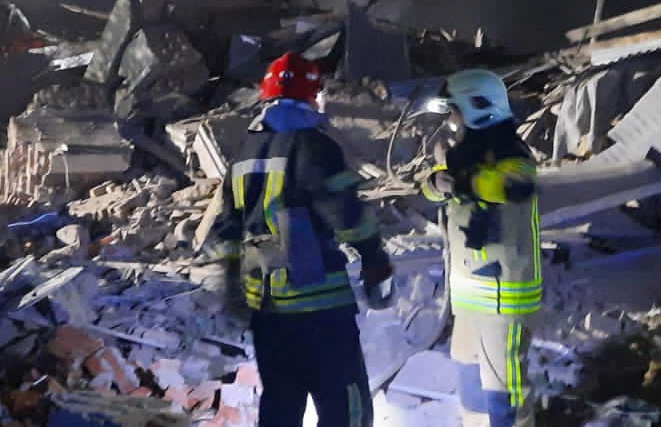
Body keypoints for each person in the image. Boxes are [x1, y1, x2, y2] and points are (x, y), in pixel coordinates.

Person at [212, 52, 394, 426]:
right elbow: (346, 214)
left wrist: (233, 289)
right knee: (346, 405)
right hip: (320, 307)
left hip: (266, 309)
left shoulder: (243, 155)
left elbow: (227, 229)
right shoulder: (316, 146)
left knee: (281, 403)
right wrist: (374, 257)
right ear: (312, 95)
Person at [420, 69, 541, 427]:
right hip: (473, 294)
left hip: (505, 294)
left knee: (504, 393)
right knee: (471, 382)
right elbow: (433, 191)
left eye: (453, 111)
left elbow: (514, 187)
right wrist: (434, 181)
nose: (451, 120)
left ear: (476, 107)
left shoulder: (510, 151)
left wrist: (460, 179)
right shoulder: (465, 154)